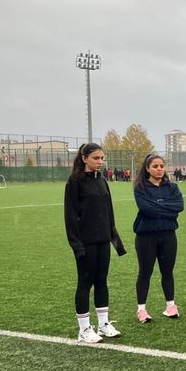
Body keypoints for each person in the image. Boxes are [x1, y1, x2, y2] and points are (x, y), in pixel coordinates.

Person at [64, 143, 127, 343]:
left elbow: (109, 213)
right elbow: (71, 217)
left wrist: (115, 241)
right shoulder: (74, 182)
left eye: (102, 158)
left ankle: (104, 324)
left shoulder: (102, 181)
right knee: (85, 283)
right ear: (84, 158)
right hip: (86, 243)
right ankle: (84, 329)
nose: (100, 162)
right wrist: (77, 245)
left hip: (103, 241)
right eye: (96, 158)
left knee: (102, 281)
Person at [133, 154, 185, 323]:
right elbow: (146, 209)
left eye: (161, 166)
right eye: (155, 166)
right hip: (146, 236)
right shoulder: (141, 187)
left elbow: (179, 206)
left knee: (167, 271)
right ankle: (141, 309)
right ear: (147, 168)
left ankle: (170, 306)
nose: (159, 169)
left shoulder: (172, 187)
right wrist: (167, 207)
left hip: (168, 235)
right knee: (145, 272)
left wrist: (158, 204)